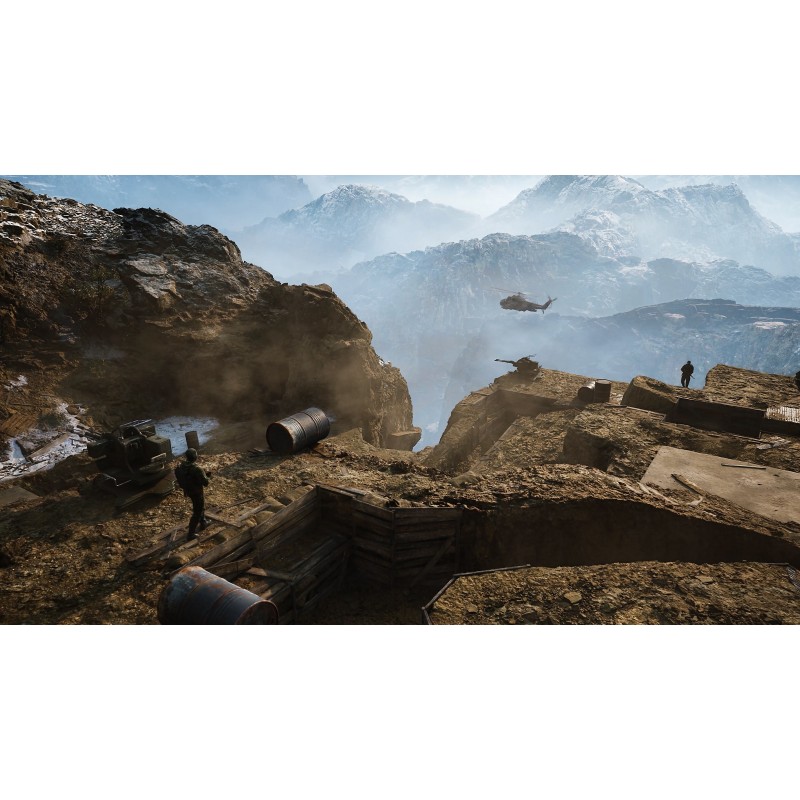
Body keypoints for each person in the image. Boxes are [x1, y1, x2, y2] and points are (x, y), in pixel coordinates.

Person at [176, 448, 210, 539]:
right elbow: (206, 483)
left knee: (200, 506)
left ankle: (203, 522)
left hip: (188, 490)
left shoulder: (181, 466)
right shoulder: (197, 469)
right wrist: (207, 477)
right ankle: (190, 534)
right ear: (195, 457)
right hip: (196, 492)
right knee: (197, 512)